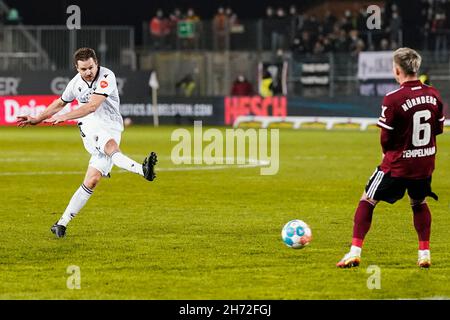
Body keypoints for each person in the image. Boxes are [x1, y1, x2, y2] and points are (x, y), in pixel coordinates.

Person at [16, 47, 158, 238]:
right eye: (83, 69)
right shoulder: (76, 83)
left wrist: (64, 117)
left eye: (90, 67)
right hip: (91, 126)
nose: (88, 72)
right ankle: (144, 171)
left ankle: (61, 223)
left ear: (96, 63)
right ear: (77, 68)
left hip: (112, 127)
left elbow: (92, 106)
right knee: (110, 148)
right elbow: (60, 102)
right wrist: (37, 118)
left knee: (92, 180)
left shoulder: (107, 76)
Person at [336, 47, 445, 269]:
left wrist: (390, 152)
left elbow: (385, 138)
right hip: (424, 163)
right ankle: (424, 253)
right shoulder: (434, 94)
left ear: (397, 70)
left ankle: (354, 252)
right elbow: (437, 129)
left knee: (367, 198)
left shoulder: (393, 98)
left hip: (398, 164)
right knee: (419, 202)